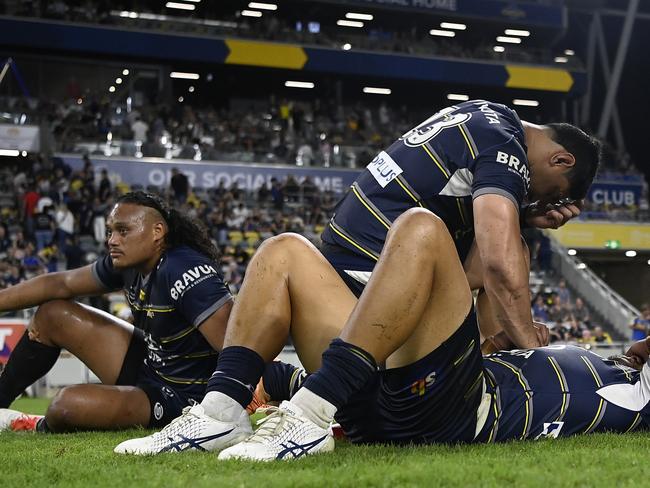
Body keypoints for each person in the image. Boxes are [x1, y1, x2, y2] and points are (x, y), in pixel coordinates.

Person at [115, 210, 649, 458]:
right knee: (284, 250)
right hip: (386, 396)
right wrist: (501, 342)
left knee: (421, 227)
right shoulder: (602, 360)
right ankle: (219, 414)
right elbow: (476, 340)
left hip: (455, 413)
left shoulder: (640, 396)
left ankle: (310, 413)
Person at [318, 99, 600, 349]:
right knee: (512, 250)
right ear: (561, 160)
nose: (535, 195)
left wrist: (524, 215)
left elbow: (444, 190)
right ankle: (507, 364)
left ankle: (497, 359)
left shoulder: (487, 113)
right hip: (368, 277)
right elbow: (500, 264)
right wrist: (530, 346)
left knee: (507, 242)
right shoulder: (506, 148)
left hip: (347, 255)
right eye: (551, 193)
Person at [0, 191, 233, 433]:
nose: (112, 240)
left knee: (66, 406)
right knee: (52, 315)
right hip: (150, 363)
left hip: (183, 396)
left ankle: (31, 424)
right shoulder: (127, 264)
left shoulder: (184, 269)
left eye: (123, 231)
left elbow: (236, 345)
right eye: (111, 231)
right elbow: (62, 283)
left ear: (157, 231)